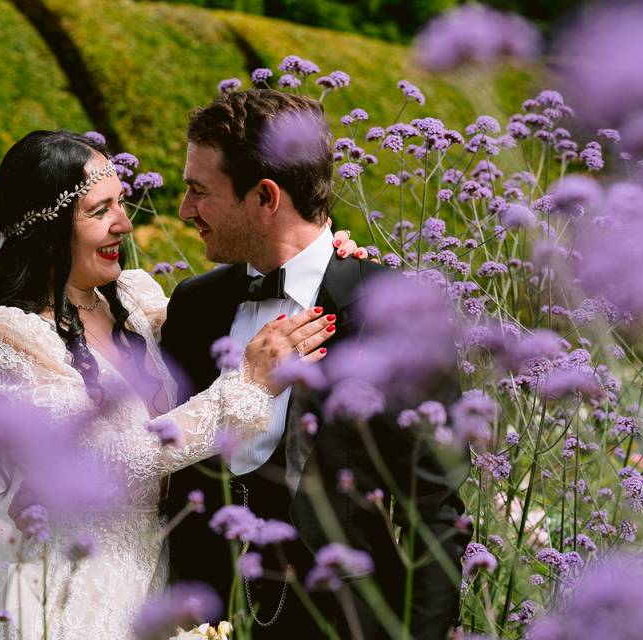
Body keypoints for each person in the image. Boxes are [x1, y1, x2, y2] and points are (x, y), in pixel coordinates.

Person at [0, 130, 337, 639]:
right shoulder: (10, 334)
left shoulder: (136, 298)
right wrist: (248, 385)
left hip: (169, 589)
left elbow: (213, 334)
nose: (124, 226)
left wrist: (319, 260)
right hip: (78, 593)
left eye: (121, 205)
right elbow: (115, 455)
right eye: (99, 211)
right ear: (48, 229)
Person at [162, 89, 470, 640]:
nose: (184, 210)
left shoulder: (398, 314)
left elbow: (435, 511)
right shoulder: (193, 304)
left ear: (265, 196)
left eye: (198, 191)